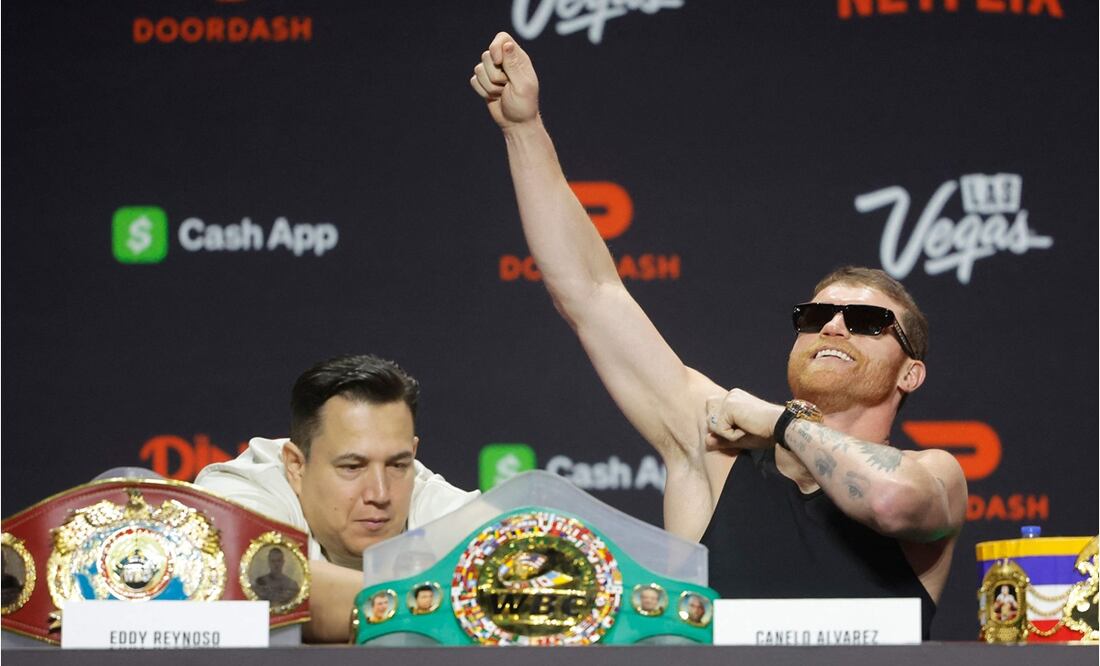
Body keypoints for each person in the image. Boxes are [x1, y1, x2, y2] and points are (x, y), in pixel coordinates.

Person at [469, 33, 967, 637]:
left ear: (910, 371)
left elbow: (888, 503)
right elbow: (590, 294)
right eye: (814, 316)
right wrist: (524, 130)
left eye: (865, 322)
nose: (832, 325)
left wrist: (780, 422)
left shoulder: (935, 476)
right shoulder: (713, 452)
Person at [195, 354, 478, 641]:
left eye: (397, 465)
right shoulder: (243, 487)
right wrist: (444, 605)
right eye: (352, 467)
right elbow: (253, 581)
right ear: (296, 465)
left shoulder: (433, 499)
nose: (379, 494)